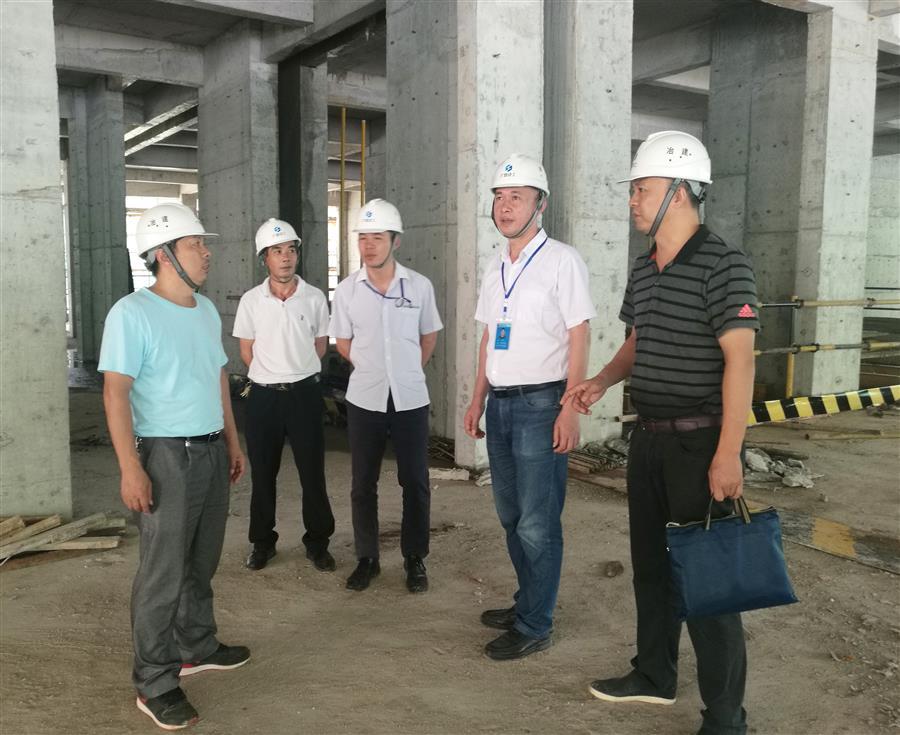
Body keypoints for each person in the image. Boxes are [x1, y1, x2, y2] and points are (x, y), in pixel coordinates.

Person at [562, 131, 759, 735]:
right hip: (646, 440)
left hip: (698, 446)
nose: (632, 200)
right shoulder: (645, 266)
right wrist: (601, 380)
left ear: (680, 191)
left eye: (641, 189)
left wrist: (728, 454)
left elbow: (740, 362)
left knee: (707, 583)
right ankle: (654, 674)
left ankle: (725, 717)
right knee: (650, 567)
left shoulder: (724, 263)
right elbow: (637, 339)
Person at [99, 202, 249, 731]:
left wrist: (232, 442)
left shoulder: (204, 310)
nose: (207, 253)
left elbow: (218, 379)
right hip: (165, 454)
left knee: (201, 559)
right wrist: (130, 468)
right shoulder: (131, 314)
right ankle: (155, 681)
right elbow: (115, 394)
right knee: (163, 572)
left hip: (209, 448)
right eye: (195, 244)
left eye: (203, 244)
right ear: (163, 255)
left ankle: (197, 645)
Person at [463, 154, 595, 661]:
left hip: (542, 404)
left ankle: (536, 624)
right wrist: (477, 398)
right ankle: (529, 601)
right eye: (499, 197)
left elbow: (579, 333)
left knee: (538, 523)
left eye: (516, 197)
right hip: (499, 405)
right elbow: (488, 338)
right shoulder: (496, 264)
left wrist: (571, 407)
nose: (505, 206)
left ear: (540, 204)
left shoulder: (562, 260)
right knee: (511, 515)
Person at [328, 199, 443, 593]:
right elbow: (343, 342)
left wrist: (407, 369)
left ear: (396, 241)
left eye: (377, 237)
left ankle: (415, 558)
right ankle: (368, 558)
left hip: (410, 398)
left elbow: (429, 336)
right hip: (365, 400)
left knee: (415, 481)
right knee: (363, 483)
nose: (369, 245)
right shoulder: (347, 291)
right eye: (363, 238)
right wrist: (373, 368)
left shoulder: (419, 286)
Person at [232, 218, 335, 573]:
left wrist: (295, 371)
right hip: (264, 399)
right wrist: (272, 375)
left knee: (312, 474)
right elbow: (246, 351)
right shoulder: (251, 301)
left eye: (291, 250)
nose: (286, 257)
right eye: (277, 251)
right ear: (265, 258)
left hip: (304, 395)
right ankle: (262, 543)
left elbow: (320, 346)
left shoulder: (315, 297)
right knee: (263, 475)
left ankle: (318, 543)